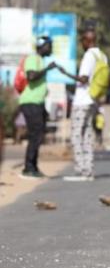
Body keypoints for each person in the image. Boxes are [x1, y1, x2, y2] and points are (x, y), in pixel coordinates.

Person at [62, 30, 108, 181]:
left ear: (88, 41)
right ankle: (89, 170)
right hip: (93, 101)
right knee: (87, 136)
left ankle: (82, 171)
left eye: (82, 41)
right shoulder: (102, 56)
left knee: (76, 136)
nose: (81, 44)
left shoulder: (89, 55)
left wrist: (65, 73)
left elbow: (83, 79)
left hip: (82, 101)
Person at [18, 36, 60, 179]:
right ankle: (28, 168)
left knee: (39, 134)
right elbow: (31, 76)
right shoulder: (33, 58)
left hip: (38, 103)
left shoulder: (40, 60)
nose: (51, 48)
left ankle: (33, 167)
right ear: (42, 46)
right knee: (35, 134)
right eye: (49, 45)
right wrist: (47, 68)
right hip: (30, 102)